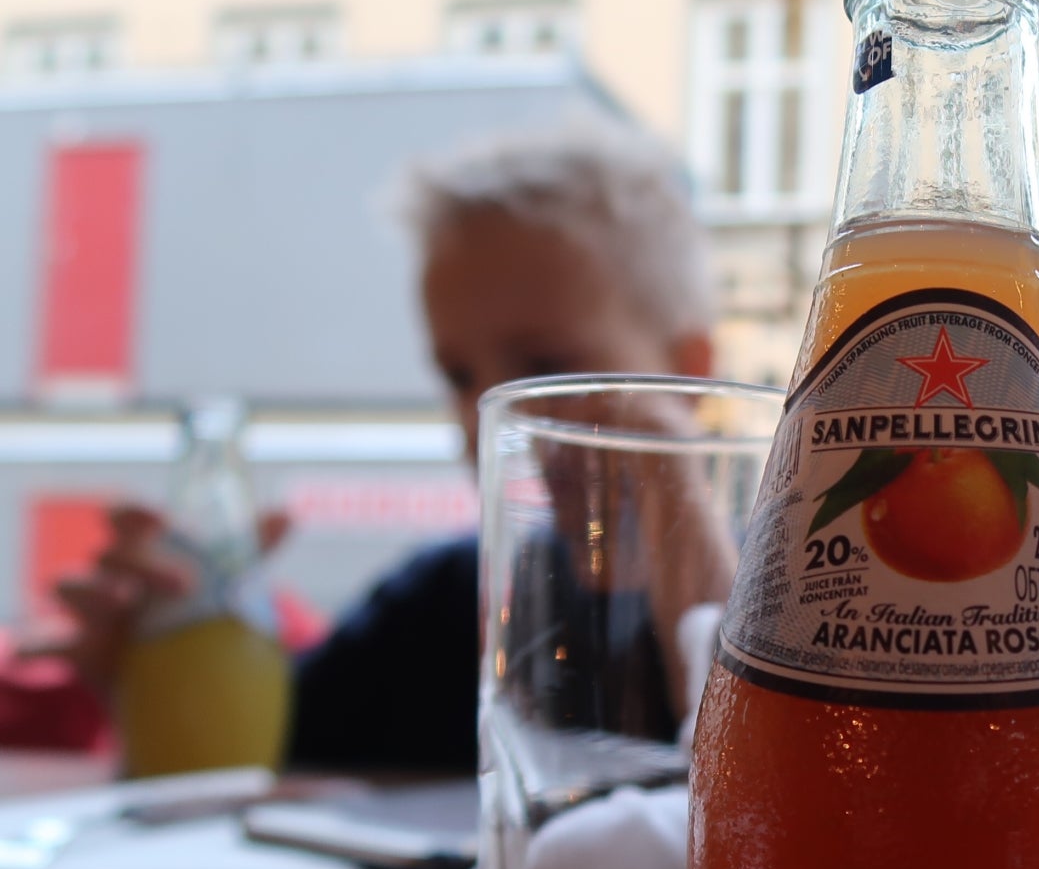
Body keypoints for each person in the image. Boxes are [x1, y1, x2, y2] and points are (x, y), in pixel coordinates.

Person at [42, 122, 728, 772]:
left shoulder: (782, 602)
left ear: (688, 371)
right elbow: (260, 765)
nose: (485, 416)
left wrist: (678, 498)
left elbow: (754, 761)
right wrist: (155, 667)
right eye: (458, 376)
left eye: (546, 365)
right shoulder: (438, 605)